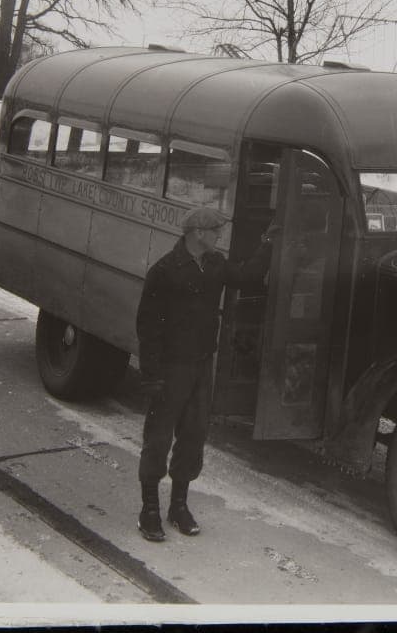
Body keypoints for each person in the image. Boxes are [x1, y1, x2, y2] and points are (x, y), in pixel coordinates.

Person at [135, 206, 279, 541]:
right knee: (158, 439)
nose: (220, 236)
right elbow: (148, 328)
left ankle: (178, 506)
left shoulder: (214, 265)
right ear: (198, 233)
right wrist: (152, 376)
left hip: (201, 365)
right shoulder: (165, 271)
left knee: (194, 436)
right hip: (170, 369)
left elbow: (247, 276)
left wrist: (269, 243)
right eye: (216, 231)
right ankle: (150, 510)